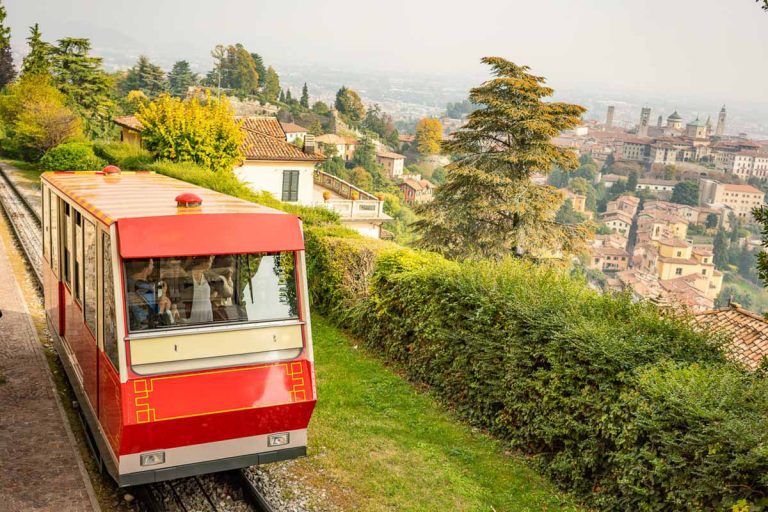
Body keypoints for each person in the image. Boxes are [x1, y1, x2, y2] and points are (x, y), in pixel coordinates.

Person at [181, 256, 215, 324]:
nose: (212, 263)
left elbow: (218, 285)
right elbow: (181, 295)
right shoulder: (187, 276)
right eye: (210, 260)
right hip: (192, 314)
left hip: (207, 313)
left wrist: (215, 293)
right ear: (204, 262)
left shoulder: (207, 275)